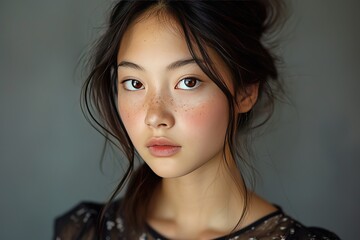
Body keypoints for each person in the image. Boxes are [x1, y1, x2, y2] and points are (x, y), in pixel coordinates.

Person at [54, 1, 340, 239]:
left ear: (245, 91)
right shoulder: (85, 231)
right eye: (134, 83)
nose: (155, 116)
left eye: (188, 81)